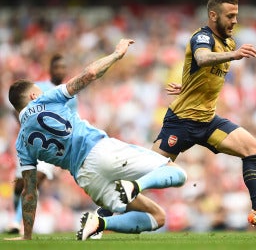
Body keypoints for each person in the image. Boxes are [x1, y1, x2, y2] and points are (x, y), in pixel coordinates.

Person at [5, 38, 187, 241]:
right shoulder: (46, 99)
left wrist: (27, 235)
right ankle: (136, 185)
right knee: (177, 173)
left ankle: (100, 223)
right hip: (99, 150)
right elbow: (89, 74)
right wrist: (117, 55)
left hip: (86, 177)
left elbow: (29, 192)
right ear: (32, 96)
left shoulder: (21, 143)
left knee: (158, 217)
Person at [151, 0, 256, 230]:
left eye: (236, 15)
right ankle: (101, 216)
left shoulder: (228, 41)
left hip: (208, 122)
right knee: (147, 170)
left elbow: (202, 74)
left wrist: (187, 85)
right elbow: (201, 59)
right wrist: (235, 55)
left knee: (252, 149)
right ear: (213, 15)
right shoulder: (202, 37)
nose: (234, 20)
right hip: (181, 122)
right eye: (230, 16)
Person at [5, 54, 77, 235]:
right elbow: (18, 110)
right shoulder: (37, 88)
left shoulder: (70, 94)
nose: (61, 70)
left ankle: (17, 222)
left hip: (53, 144)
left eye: (63, 67)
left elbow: (72, 120)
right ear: (51, 68)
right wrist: (27, 126)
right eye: (57, 67)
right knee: (20, 185)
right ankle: (17, 216)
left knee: (36, 180)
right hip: (31, 141)